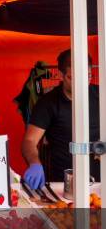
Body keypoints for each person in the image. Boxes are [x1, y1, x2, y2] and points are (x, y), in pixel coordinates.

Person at [22, 49, 99, 188]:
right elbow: (30, 140)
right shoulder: (48, 103)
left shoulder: (101, 96)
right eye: (74, 77)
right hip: (63, 183)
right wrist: (34, 163)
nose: (82, 83)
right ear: (61, 75)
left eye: (87, 76)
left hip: (101, 180)